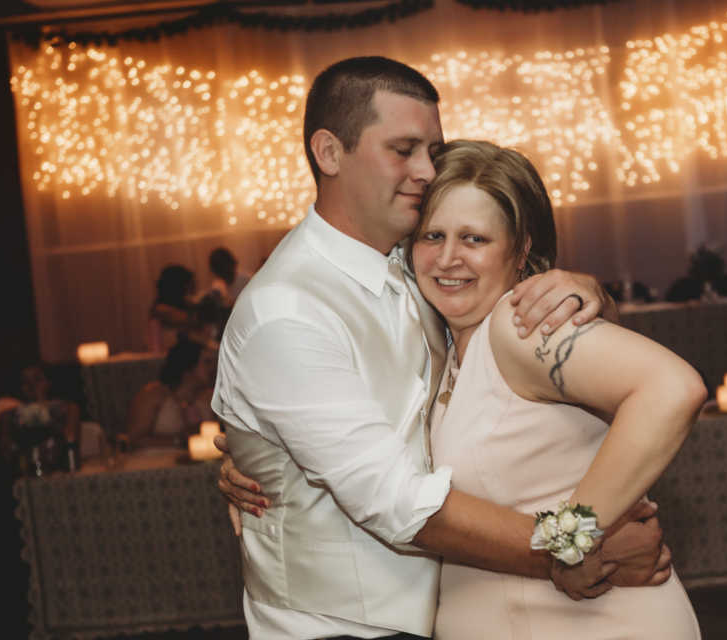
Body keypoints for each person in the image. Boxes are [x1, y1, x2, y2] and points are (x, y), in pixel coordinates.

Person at [211, 56, 667, 640]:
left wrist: (589, 294)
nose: (427, 170)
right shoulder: (287, 311)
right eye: (403, 149)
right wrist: (573, 549)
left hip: (454, 610)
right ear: (328, 153)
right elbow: (398, 501)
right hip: (344, 628)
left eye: (432, 149)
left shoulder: (415, 266)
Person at [411, 140, 705, 637]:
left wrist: (568, 542)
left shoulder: (516, 326)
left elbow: (671, 389)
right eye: (432, 235)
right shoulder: (441, 350)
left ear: (521, 249)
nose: (447, 258)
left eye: (474, 239)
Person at [125, 337, 217, 448]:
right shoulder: (153, 395)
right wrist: (177, 442)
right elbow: (134, 440)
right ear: (188, 365)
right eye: (207, 362)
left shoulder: (209, 397)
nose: (213, 368)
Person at [147, 264, 218, 354]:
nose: (190, 291)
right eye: (188, 286)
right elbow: (189, 320)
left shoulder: (186, 306)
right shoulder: (161, 310)